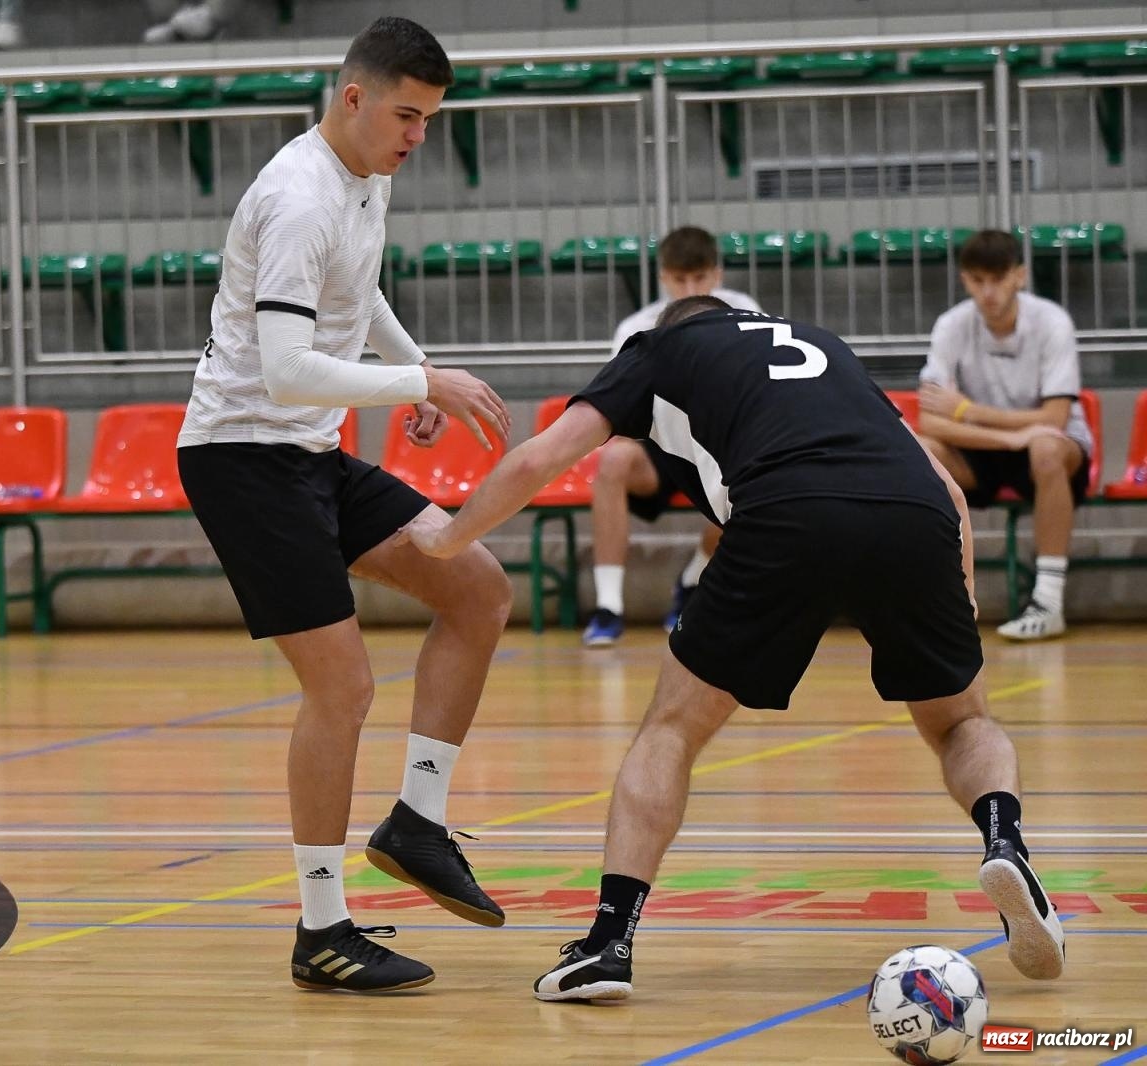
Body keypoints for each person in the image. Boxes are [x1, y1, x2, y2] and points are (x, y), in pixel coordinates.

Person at [401, 296, 1066, 1001]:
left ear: (671, 327)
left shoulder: (658, 352)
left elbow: (539, 457)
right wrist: (959, 589)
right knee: (963, 720)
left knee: (672, 729)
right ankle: (1004, 841)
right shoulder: (823, 344)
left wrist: (450, 538)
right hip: (913, 513)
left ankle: (607, 945)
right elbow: (945, 488)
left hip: (786, 511)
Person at [177, 16, 514, 992]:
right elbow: (283, 371)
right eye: (406, 115)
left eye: (431, 119)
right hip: (243, 456)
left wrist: (407, 363)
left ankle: (415, 820)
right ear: (353, 97)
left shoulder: (367, 174)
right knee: (344, 686)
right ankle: (321, 928)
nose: (417, 136)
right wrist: (423, 388)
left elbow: (354, 298)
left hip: (309, 454)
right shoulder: (296, 198)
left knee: (477, 587)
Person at [582, 226, 761, 646]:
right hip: (662, 445)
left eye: (698, 278)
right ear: (663, 277)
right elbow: (619, 406)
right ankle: (609, 606)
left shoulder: (745, 312)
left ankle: (694, 577)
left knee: (756, 479)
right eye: (679, 279)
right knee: (612, 461)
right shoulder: (637, 327)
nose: (688, 288)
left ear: (717, 274)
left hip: (720, 446)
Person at [916, 229, 1091, 641]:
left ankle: (1048, 601)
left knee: (1046, 447)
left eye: (998, 279)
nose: (988, 291)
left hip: (1052, 450)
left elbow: (1055, 416)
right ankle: (934, 593)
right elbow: (931, 424)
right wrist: (1011, 436)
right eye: (978, 280)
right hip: (986, 450)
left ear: (1020, 276)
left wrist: (967, 410)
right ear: (964, 280)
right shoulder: (951, 325)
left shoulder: (1052, 322)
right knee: (923, 451)